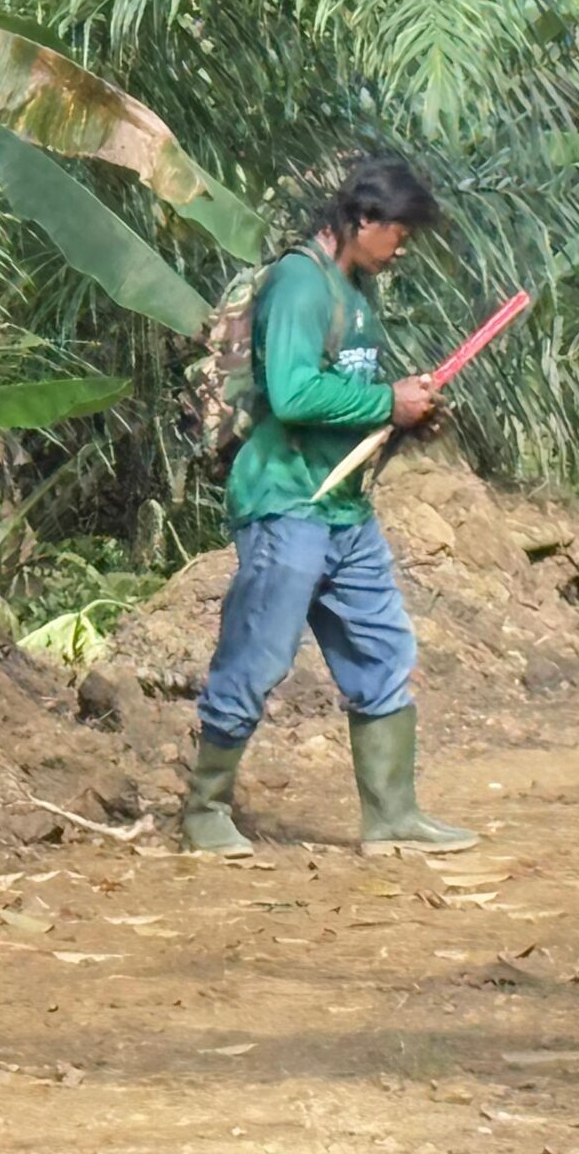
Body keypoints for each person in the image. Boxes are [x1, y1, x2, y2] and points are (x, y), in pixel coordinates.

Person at [180, 154, 477, 857]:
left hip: (345, 509)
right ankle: (204, 810)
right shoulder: (298, 284)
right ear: (364, 218)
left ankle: (393, 816)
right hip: (287, 503)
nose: (402, 248)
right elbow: (290, 392)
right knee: (256, 657)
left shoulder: (355, 292)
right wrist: (386, 401)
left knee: (382, 652)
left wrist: (406, 416)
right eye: (399, 234)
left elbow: (347, 401)